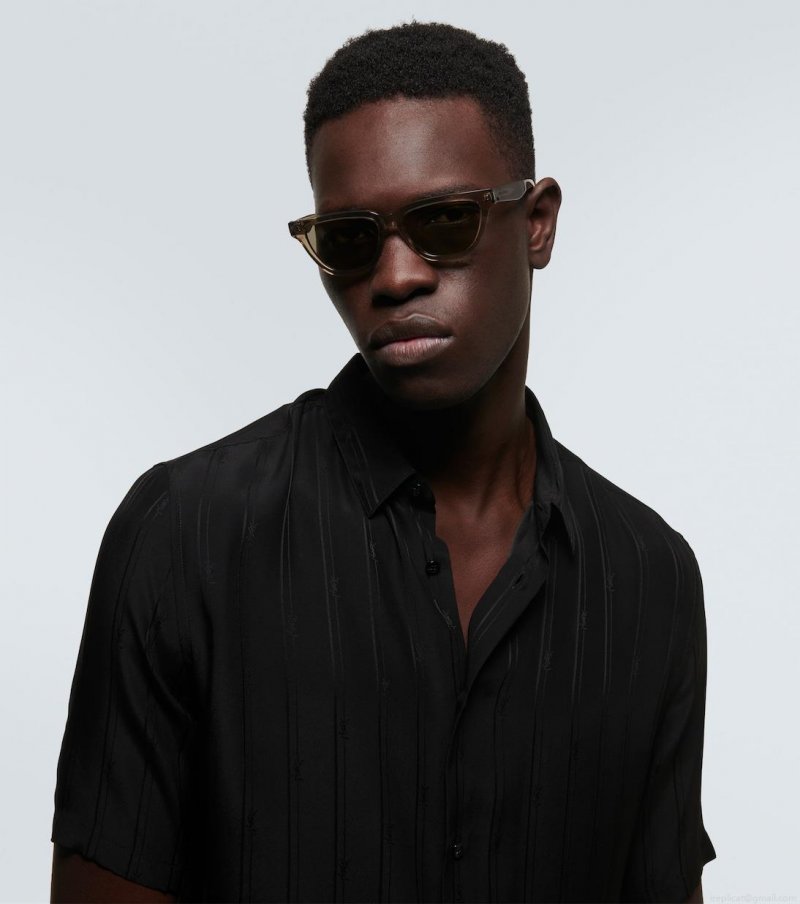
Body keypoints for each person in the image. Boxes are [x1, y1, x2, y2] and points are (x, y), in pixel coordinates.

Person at [50, 21, 716, 904]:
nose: (395, 277)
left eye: (444, 221)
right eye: (351, 239)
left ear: (538, 223)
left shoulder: (650, 578)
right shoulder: (185, 538)